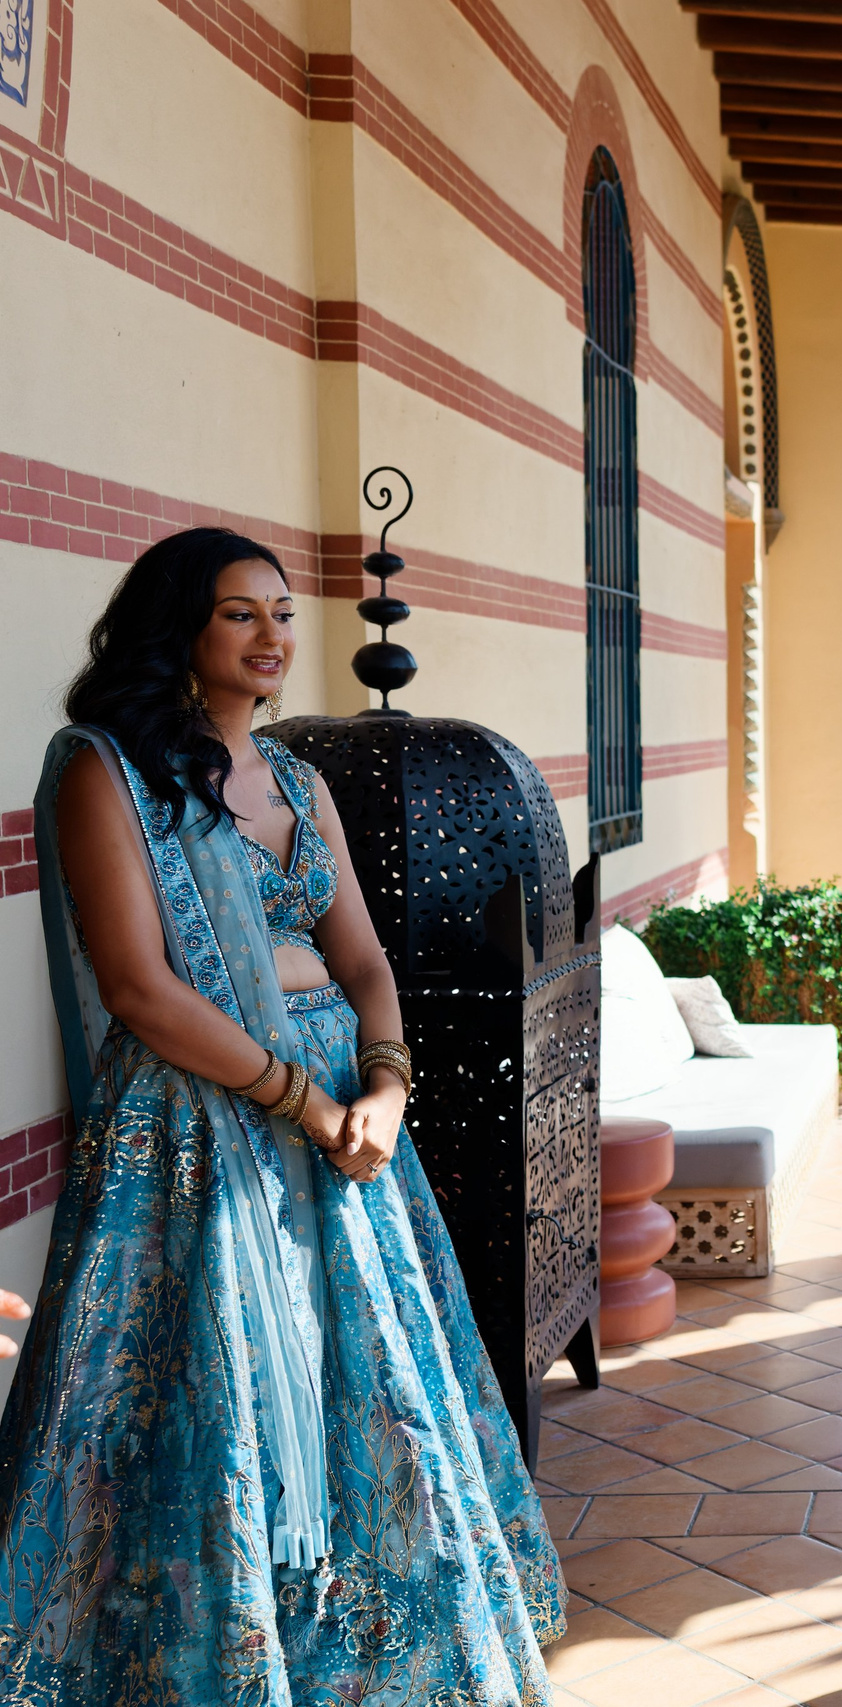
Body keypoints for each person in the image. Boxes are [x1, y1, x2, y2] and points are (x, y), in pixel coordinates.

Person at [0, 528, 562, 1701]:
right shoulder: (104, 769)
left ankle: (375, 1663)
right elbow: (140, 987)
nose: (273, 638)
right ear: (180, 631)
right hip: (197, 1130)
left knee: (369, 1384)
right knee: (213, 1389)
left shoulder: (303, 784)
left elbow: (363, 960)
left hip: (343, 1135)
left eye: (282, 613)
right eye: (239, 614)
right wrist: (304, 1100)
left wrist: (390, 1090)